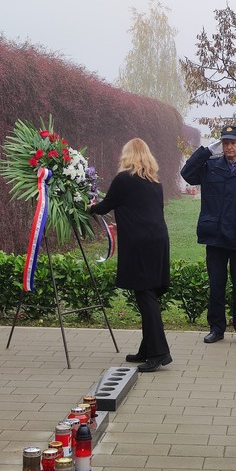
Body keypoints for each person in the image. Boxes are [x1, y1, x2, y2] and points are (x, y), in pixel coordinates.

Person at [180, 125, 236, 346]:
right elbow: (187, 173)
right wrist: (205, 151)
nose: (229, 147)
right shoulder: (210, 166)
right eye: (225, 143)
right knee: (216, 286)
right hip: (216, 236)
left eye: (233, 142)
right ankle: (216, 328)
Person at [89, 138, 172, 372]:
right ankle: (147, 349)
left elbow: (105, 206)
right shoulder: (155, 182)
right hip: (158, 241)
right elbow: (150, 211)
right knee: (149, 294)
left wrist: (88, 207)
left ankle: (159, 353)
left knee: (145, 295)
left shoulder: (124, 179)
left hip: (139, 243)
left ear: (127, 155)